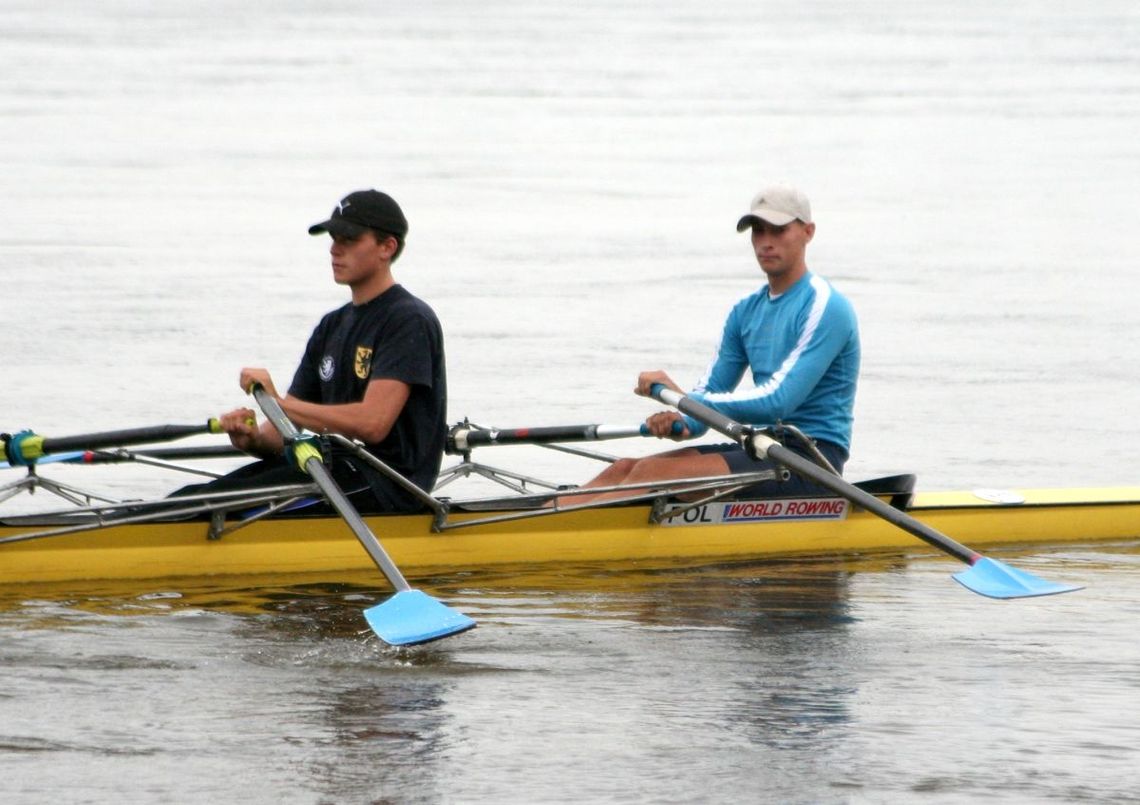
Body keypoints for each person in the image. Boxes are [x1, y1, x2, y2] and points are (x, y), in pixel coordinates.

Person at [566, 183, 859, 504]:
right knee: (623, 469)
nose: (766, 242)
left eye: (778, 230)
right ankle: (537, 523)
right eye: (758, 231)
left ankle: (574, 527)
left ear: (808, 232)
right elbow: (705, 404)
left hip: (811, 460)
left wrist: (687, 401)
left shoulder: (825, 306)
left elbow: (779, 401)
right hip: (760, 446)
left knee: (651, 474)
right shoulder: (745, 312)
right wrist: (680, 420)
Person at [173, 189, 447, 513]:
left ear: (387, 247)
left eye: (349, 239)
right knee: (189, 498)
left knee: (207, 510)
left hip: (387, 486)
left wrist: (279, 404)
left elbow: (373, 423)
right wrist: (252, 438)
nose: (334, 249)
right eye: (333, 238)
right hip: (334, 469)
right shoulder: (331, 326)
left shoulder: (408, 319)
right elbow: (280, 436)